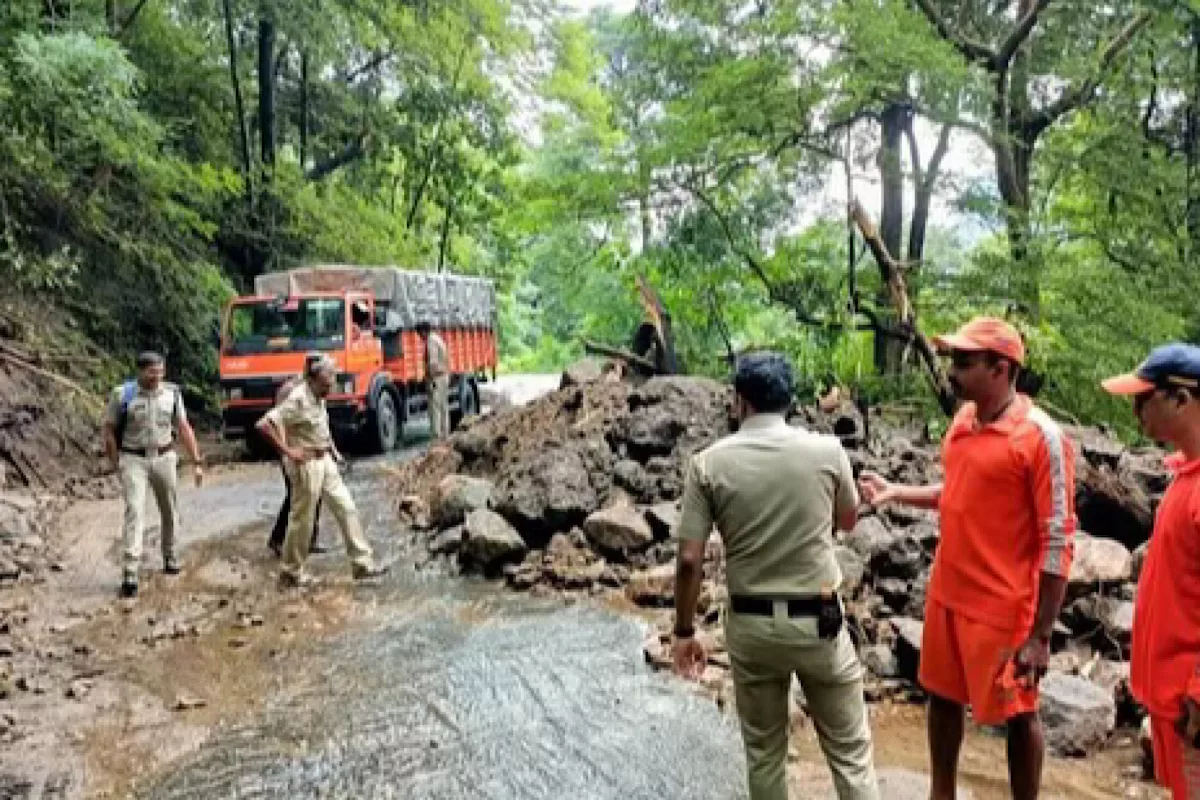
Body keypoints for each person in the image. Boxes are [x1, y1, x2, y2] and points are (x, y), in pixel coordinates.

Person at [858, 316, 1076, 800]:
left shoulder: (1042, 438)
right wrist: (896, 492)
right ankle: (942, 792)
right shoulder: (963, 422)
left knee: (1019, 714)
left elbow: (1059, 540)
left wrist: (1041, 635)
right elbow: (956, 493)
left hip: (1002, 606)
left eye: (963, 361)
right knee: (943, 697)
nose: (951, 370)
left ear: (1000, 368)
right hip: (948, 595)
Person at [672, 351, 880, 800]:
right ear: (789, 400)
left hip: (750, 624)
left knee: (765, 755)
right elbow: (847, 521)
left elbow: (689, 560)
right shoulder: (828, 452)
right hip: (820, 620)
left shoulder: (708, 464)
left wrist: (685, 631)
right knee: (851, 755)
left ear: (739, 400)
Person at [1102, 343, 1200, 799]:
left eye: (1144, 399)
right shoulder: (1184, 474)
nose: (1136, 410)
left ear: (1181, 399)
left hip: (1189, 703)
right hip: (1169, 697)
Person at [255, 355, 386, 588]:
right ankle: (291, 572)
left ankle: (362, 565)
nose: (333, 382)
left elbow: (321, 426)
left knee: (346, 508)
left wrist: (334, 451)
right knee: (302, 520)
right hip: (306, 464)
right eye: (330, 377)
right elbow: (264, 425)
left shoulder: (319, 397)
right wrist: (288, 452)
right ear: (315, 377)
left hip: (325, 461)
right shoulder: (297, 398)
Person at [101, 351, 204, 599]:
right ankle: (130, 571)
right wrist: (116, 462)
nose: (156, 377)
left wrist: (196, 461)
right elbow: (108, 429)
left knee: (169, 508)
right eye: (151, 372)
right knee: (135, 511)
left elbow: (183, 427)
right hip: (133, 458)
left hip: (164, 456)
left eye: (160, 371)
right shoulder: (122, 395)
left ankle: (170, 555)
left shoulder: (172, 394)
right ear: (140, 371)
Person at [266, 369, 324, 557]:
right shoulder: (291, 391)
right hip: (292, 450)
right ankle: (277, 539)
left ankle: (310, 539)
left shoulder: (315, 391)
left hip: (310, 450)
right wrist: (286, 452)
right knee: (295, 495)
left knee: (316, 492)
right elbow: (277, 423)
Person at [417, 321, 450, 440]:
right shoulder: (438, 338)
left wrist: (429, 378)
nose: (420, 337)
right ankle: (445, 435)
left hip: (437, 378)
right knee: (443, 407)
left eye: (420, 334)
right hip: (443, 376)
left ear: (423, 331)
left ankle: (437, 437)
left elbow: (433, 363)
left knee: (435, 409)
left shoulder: (431, 341)